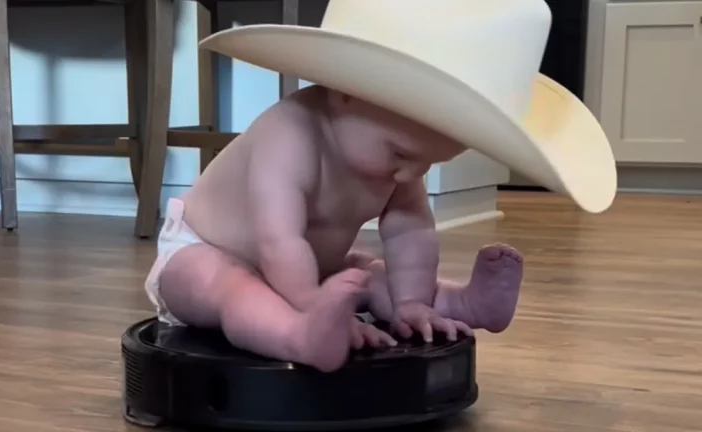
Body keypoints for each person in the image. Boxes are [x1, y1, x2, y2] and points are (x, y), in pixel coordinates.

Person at [145, 0, 618, 373]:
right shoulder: (287, 136)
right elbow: (277, 239)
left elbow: (411, 231)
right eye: (401, 155)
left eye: (432, 162)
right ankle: (298, 335)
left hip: (312, 268)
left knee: (367, 276)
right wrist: (309, 303)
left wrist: (410, 301)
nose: (412, 175)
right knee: (230, 286)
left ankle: (461, 302)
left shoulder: (399, 161)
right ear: (347, 93)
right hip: (202, 252)